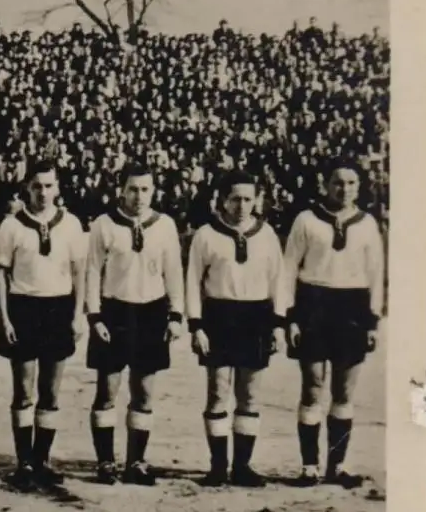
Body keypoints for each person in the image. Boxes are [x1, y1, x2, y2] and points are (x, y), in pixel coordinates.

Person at [283, 160, 385, 488]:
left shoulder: (367, 223)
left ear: (359, 187)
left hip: (352, 308)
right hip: (314, 305)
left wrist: (372, 321)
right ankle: (309, 466)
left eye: (351, 183)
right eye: (338, 182)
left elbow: (375, 273)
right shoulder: (306, 220)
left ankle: (337, 466)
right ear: (325, 184)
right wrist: (290, 317)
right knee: (312, 387)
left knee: (343, 391)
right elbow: (288, 268)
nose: (344, 189)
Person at [186, 170, 288, 488]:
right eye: (235, 199)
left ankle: (242, 467)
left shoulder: (267, 234)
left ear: (257, 200)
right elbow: (192, 282)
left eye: (247, 199)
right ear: (222, 200)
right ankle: (218, 466)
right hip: (219, 316)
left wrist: (278, 324)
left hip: (256, 317)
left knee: (249, 394)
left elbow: (278, 280)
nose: (241, 205)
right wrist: (196, 325)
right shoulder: (206, 235)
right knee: (218, 392)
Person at [85, 163, 184, 486]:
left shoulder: (165, 225)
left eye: (145, 190)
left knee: (144, 392)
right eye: (132, 189)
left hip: (151, 313)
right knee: (107, 390)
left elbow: (174, 272)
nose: (139, 196)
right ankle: (105, 462)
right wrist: (94, 315)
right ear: (121, 190)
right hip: (114, 312)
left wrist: (176, 314)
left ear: (153, 192)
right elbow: (92, 271)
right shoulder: (104, 224)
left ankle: (136, 462)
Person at [0, 160, 87, 489]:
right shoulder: (11, 226)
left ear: (57, 188)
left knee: (50, 390)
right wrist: (5, 318)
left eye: (49, 186)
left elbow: (79, 272)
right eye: (37, 186)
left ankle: (42, 459)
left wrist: (77, 314)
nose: (43, 193)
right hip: (23, 307)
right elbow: (1, 274)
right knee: (23, 389)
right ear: (27, 188)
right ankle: (24, 462)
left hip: (58, 307)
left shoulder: (71, 224)